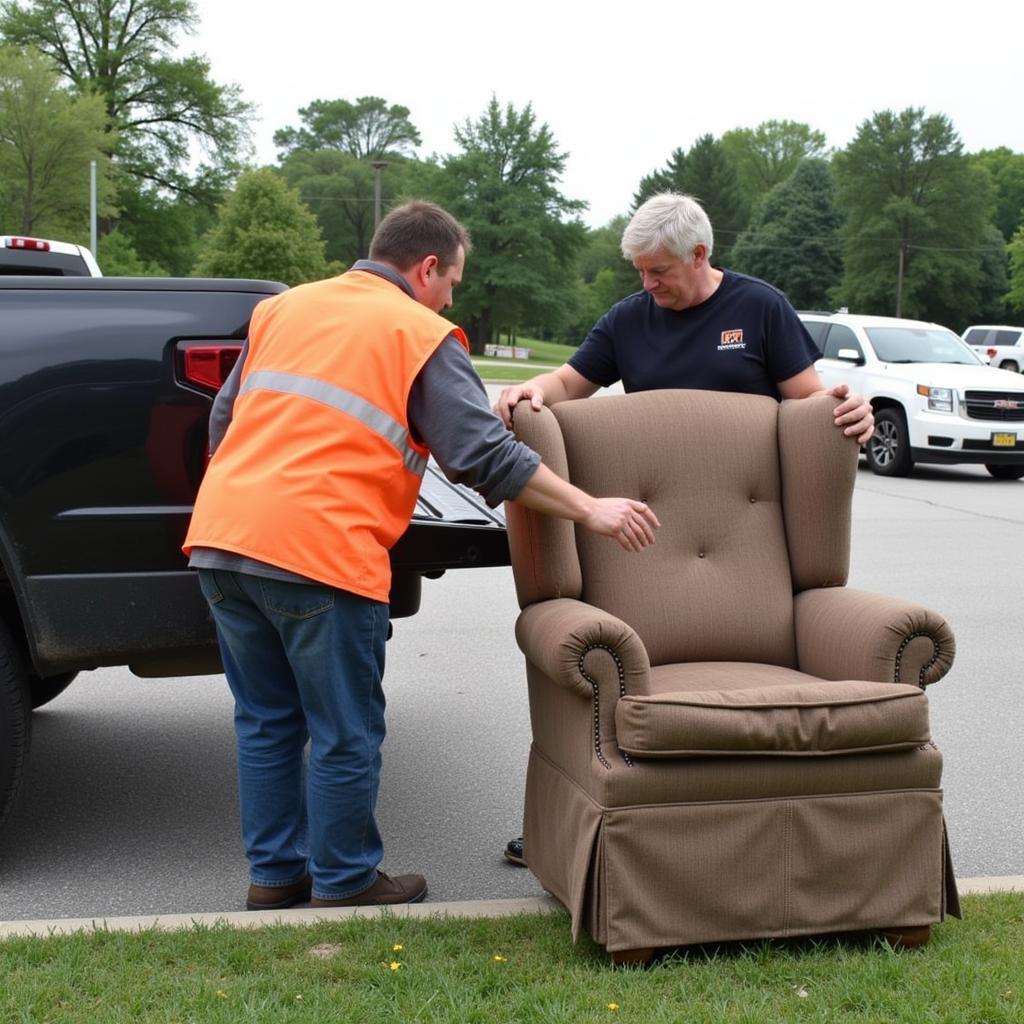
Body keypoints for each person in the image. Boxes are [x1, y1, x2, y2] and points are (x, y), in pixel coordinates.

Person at [183, 201, 660, 911]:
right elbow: (483, 455)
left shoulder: (284, 309)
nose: (451, 298)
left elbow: (224, 421)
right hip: (319, 552)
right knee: (345, 729)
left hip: (222, 542)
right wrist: (590, 507)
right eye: (452, 283)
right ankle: (345, 881)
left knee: (265, 722)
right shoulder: (420, 332)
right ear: (426, 267)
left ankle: (275, 879)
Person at [494, 191, 875, 867]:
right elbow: (568, 383)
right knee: (610, 662)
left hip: (747, 533)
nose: (648, 284)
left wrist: (853, 413)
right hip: (652, 531)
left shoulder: (759, 309)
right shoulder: (630, 320)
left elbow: (811, 402)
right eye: (639, 271)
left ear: (700, 253)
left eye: (658, 270)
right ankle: (587, 807)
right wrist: (532, 392)